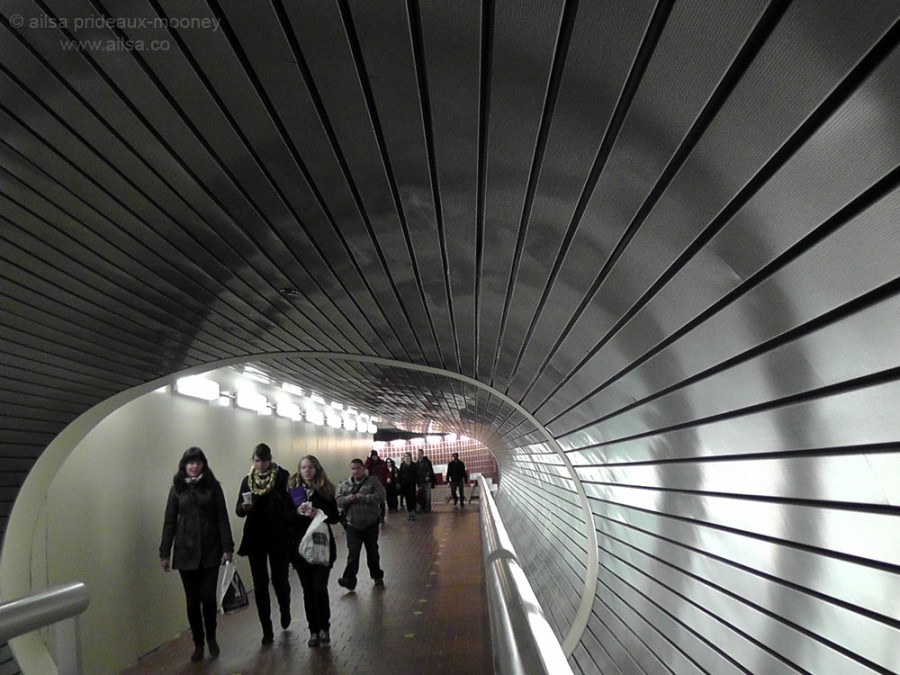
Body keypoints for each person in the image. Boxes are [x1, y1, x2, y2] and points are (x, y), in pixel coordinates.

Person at [159, 447, 234, 662]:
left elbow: (222, 518)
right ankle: (198, 643)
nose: (193, 466)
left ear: (203, 464)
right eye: (190, 462)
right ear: (184, 465)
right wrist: (164, 552)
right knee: (192, 602)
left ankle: (211, 636)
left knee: (208, 598)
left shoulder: (213, 487)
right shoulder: (177, 489)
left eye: (197, 462)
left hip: (210, 549)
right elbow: (169, 521)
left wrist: (227, 548)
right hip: (185, 551)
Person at [235, 443, 292, 646]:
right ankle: (266, 629)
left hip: (278, 537)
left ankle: (285, 609)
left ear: (270, 460)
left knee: (280, 580)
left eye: (263, 460)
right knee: (260, 584)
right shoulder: (247, 481)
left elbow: (291, 504)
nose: (260, 465)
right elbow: (238, 511)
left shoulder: (283, 477)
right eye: (256, 460)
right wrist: (245, 506)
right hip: (255, 538)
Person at [288, 455, 340, 648]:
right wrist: (297, 512)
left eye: (310, 467)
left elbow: (335, 517)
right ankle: (313, 631)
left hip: (322, 548)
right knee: (308, 592)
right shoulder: (293, 492)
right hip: (301, 550)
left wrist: (318, 512)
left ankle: (324, 626)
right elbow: (285, 519)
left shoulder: (325, 491)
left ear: (316, 469)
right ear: (299, 470)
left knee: (319, 588)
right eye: (303, 467)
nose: (307, 471)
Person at [336, 458, 386, 590]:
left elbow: (380, 497)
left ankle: (377, 576)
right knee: (353, 554)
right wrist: (348, 499)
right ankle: (349, 580)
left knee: (372, 552)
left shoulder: (373, 482)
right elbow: (338, 500)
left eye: (358, 468)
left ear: (363, 469)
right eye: (353, 468)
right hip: (352, 525)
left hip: (370, 524)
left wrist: (363, 498)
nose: (355, 471)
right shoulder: (344, 484)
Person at [364, 449, 389, 521]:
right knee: (373, 500)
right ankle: (375, 515)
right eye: (372, 456)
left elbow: (386, 471)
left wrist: (388, 478)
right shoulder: (370, 463)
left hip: (381, 483)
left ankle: (382, 516)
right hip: (373, 484)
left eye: (375, 456)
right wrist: (368, 458)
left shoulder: (382, 462)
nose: (374, 458)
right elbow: (365, 466)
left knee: (382, 500)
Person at [397, 451, 419, 520]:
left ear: (411, 457)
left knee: (412, 498)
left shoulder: (414, 465)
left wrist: (417, 483)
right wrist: (398, 483)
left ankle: (413, 513)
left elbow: (417, 474)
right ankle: (410, 514)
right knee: (407, 499)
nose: (407, 458)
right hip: (404, 485)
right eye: (405, 457)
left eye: (408, 457)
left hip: (411, 485)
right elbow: (400, 475)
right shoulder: (402, 465)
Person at [416, 448, 436, 513]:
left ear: (422, 454)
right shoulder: (416, 463)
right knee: (421, 495)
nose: (419, 455)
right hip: (420, 481)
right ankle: (422, 507)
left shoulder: (427, 462)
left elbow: (430, 470)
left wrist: (428, 476)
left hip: (427, 481)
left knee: (428, 495)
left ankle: (427, 508)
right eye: (418, 454)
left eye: (420, 454)